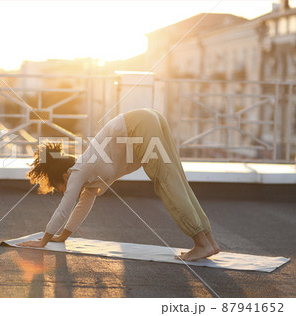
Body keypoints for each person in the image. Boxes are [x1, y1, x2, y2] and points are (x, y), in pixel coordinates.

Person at [17, 108, 220, 261]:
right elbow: (81, 208)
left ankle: (201, 243)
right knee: (176, 179)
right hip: (149, 118)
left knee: (166, 183)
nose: (64, 192)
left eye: (59, 188)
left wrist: (43, 241)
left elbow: (65, 207)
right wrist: (62, 237)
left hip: (138, 125)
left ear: (64, 176)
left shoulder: (77, 172)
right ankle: (209, 242)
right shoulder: (89, 176)